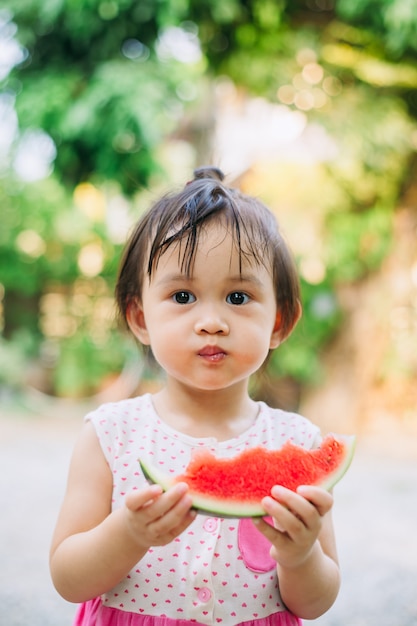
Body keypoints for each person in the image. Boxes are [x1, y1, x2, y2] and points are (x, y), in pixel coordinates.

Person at [50, 167, 341, 626]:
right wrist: (129, 533)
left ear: (280, 322)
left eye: (239, 298)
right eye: (183, 295)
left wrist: (301, 555)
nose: (212, 321)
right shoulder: (111, 435)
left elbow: (316, 602)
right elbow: (67, 578)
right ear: (140, 317)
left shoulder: (297, 440)